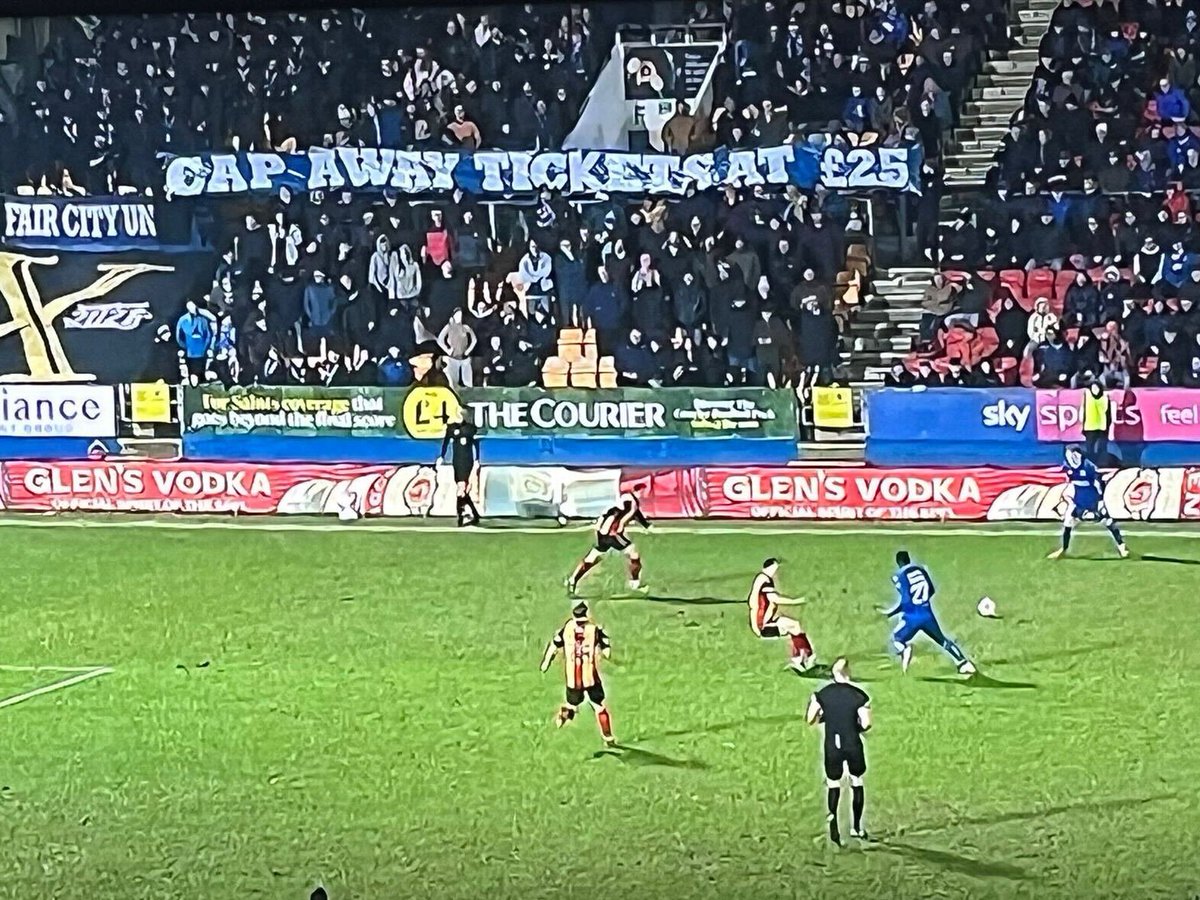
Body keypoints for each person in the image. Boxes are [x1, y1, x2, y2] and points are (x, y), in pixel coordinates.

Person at [805, 658, 871, 845]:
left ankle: (833, 818)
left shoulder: (822, 695)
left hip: (832, 744)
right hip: (852, 743)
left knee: (834, 783)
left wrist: (822, 715)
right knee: (856, 781)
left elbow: (810, 719)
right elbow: (867, 723)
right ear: (848, 673)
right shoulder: (860, 696)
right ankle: (856, 827)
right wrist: (857, 727)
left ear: (833, 674)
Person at [882, 551, 975, 675]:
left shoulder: (900, 576)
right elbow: (931, 590)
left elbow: (905, 601)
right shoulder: (921, 570)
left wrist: (890, 613)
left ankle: (905, 649)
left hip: (912, 617)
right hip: (927, 613)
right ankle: (964, 663)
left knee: (896, 639)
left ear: (899, 562)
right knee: (942, 640)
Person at [539, 602, 615, 745]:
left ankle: (563, 717)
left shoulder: (567, 629)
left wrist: (546, 662)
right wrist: (606, 651)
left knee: (572, 704)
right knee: (599, 706)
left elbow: (554, 646)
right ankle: (608, 737)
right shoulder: (594, 630)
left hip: (573, 680)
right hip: (591, 677)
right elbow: (607, 652)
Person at [1047, 445, 1129, 560]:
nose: (1069, 457)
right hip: (1078, 501)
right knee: (1068, 522)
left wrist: (1100, 499)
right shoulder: (1068, 467)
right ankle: (1063, 549)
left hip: (1093, 500)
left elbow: (1099, 483)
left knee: (1108, 521)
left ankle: (1122, 546)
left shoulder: (1088, 466)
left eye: (1071, 453)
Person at [566, 487, 650, 595]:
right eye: (642, 490)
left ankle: (573, 579)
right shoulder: (629, 500)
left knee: (592, 557)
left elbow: (634, 513)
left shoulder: (619, 507)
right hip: (613, 534)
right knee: (634, 555)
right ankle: (635, 583)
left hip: (603, 534)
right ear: (638, 490)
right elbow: (630, 510)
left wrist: (645, 525)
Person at [747, 558, 814, 673]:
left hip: (763, 622)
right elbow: (774, 598)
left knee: (795, 626)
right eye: (774, 568)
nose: (775, 572)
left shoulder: (760, 578)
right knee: (794, 627)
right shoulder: (766, 580)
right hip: (764, 625)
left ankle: (802, 656)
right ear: (768, 568)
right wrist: (796, 601)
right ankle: (802, 657)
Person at [437, 410, 481, 527]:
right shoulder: (451, 428)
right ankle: (475, 515)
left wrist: (477, 460)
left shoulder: (470, 429)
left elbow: (476, 444)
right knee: (463, 490)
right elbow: (445, 443)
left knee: (461, 488)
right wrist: (441, 456)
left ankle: (460, 517)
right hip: (456, 461)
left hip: (467, 461)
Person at [1080, 382, 1110, 464]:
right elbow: (1084, 410)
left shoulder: (1105, 397)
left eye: (1096, 388)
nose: (1095, 390)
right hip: (1090, 427)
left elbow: (1108, 413)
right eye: (1093, 388)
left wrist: (1107, 427)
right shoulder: (1087, 396)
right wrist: (1083, 425)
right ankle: (1090, 463)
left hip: (1102, 427)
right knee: (1089, 448)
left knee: (1102, 448)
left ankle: (1101, 463)